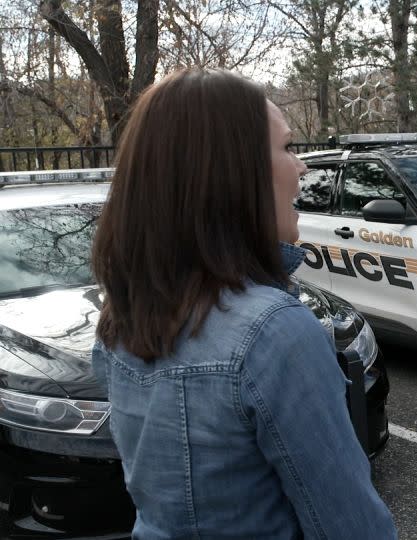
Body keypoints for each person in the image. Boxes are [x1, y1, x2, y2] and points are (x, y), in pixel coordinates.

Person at [91, 68, 397, 539]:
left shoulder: (121, 319)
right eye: (288, 148)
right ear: (234, 173)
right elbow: (353, 528)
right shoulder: (273, 332)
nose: (302, 168)